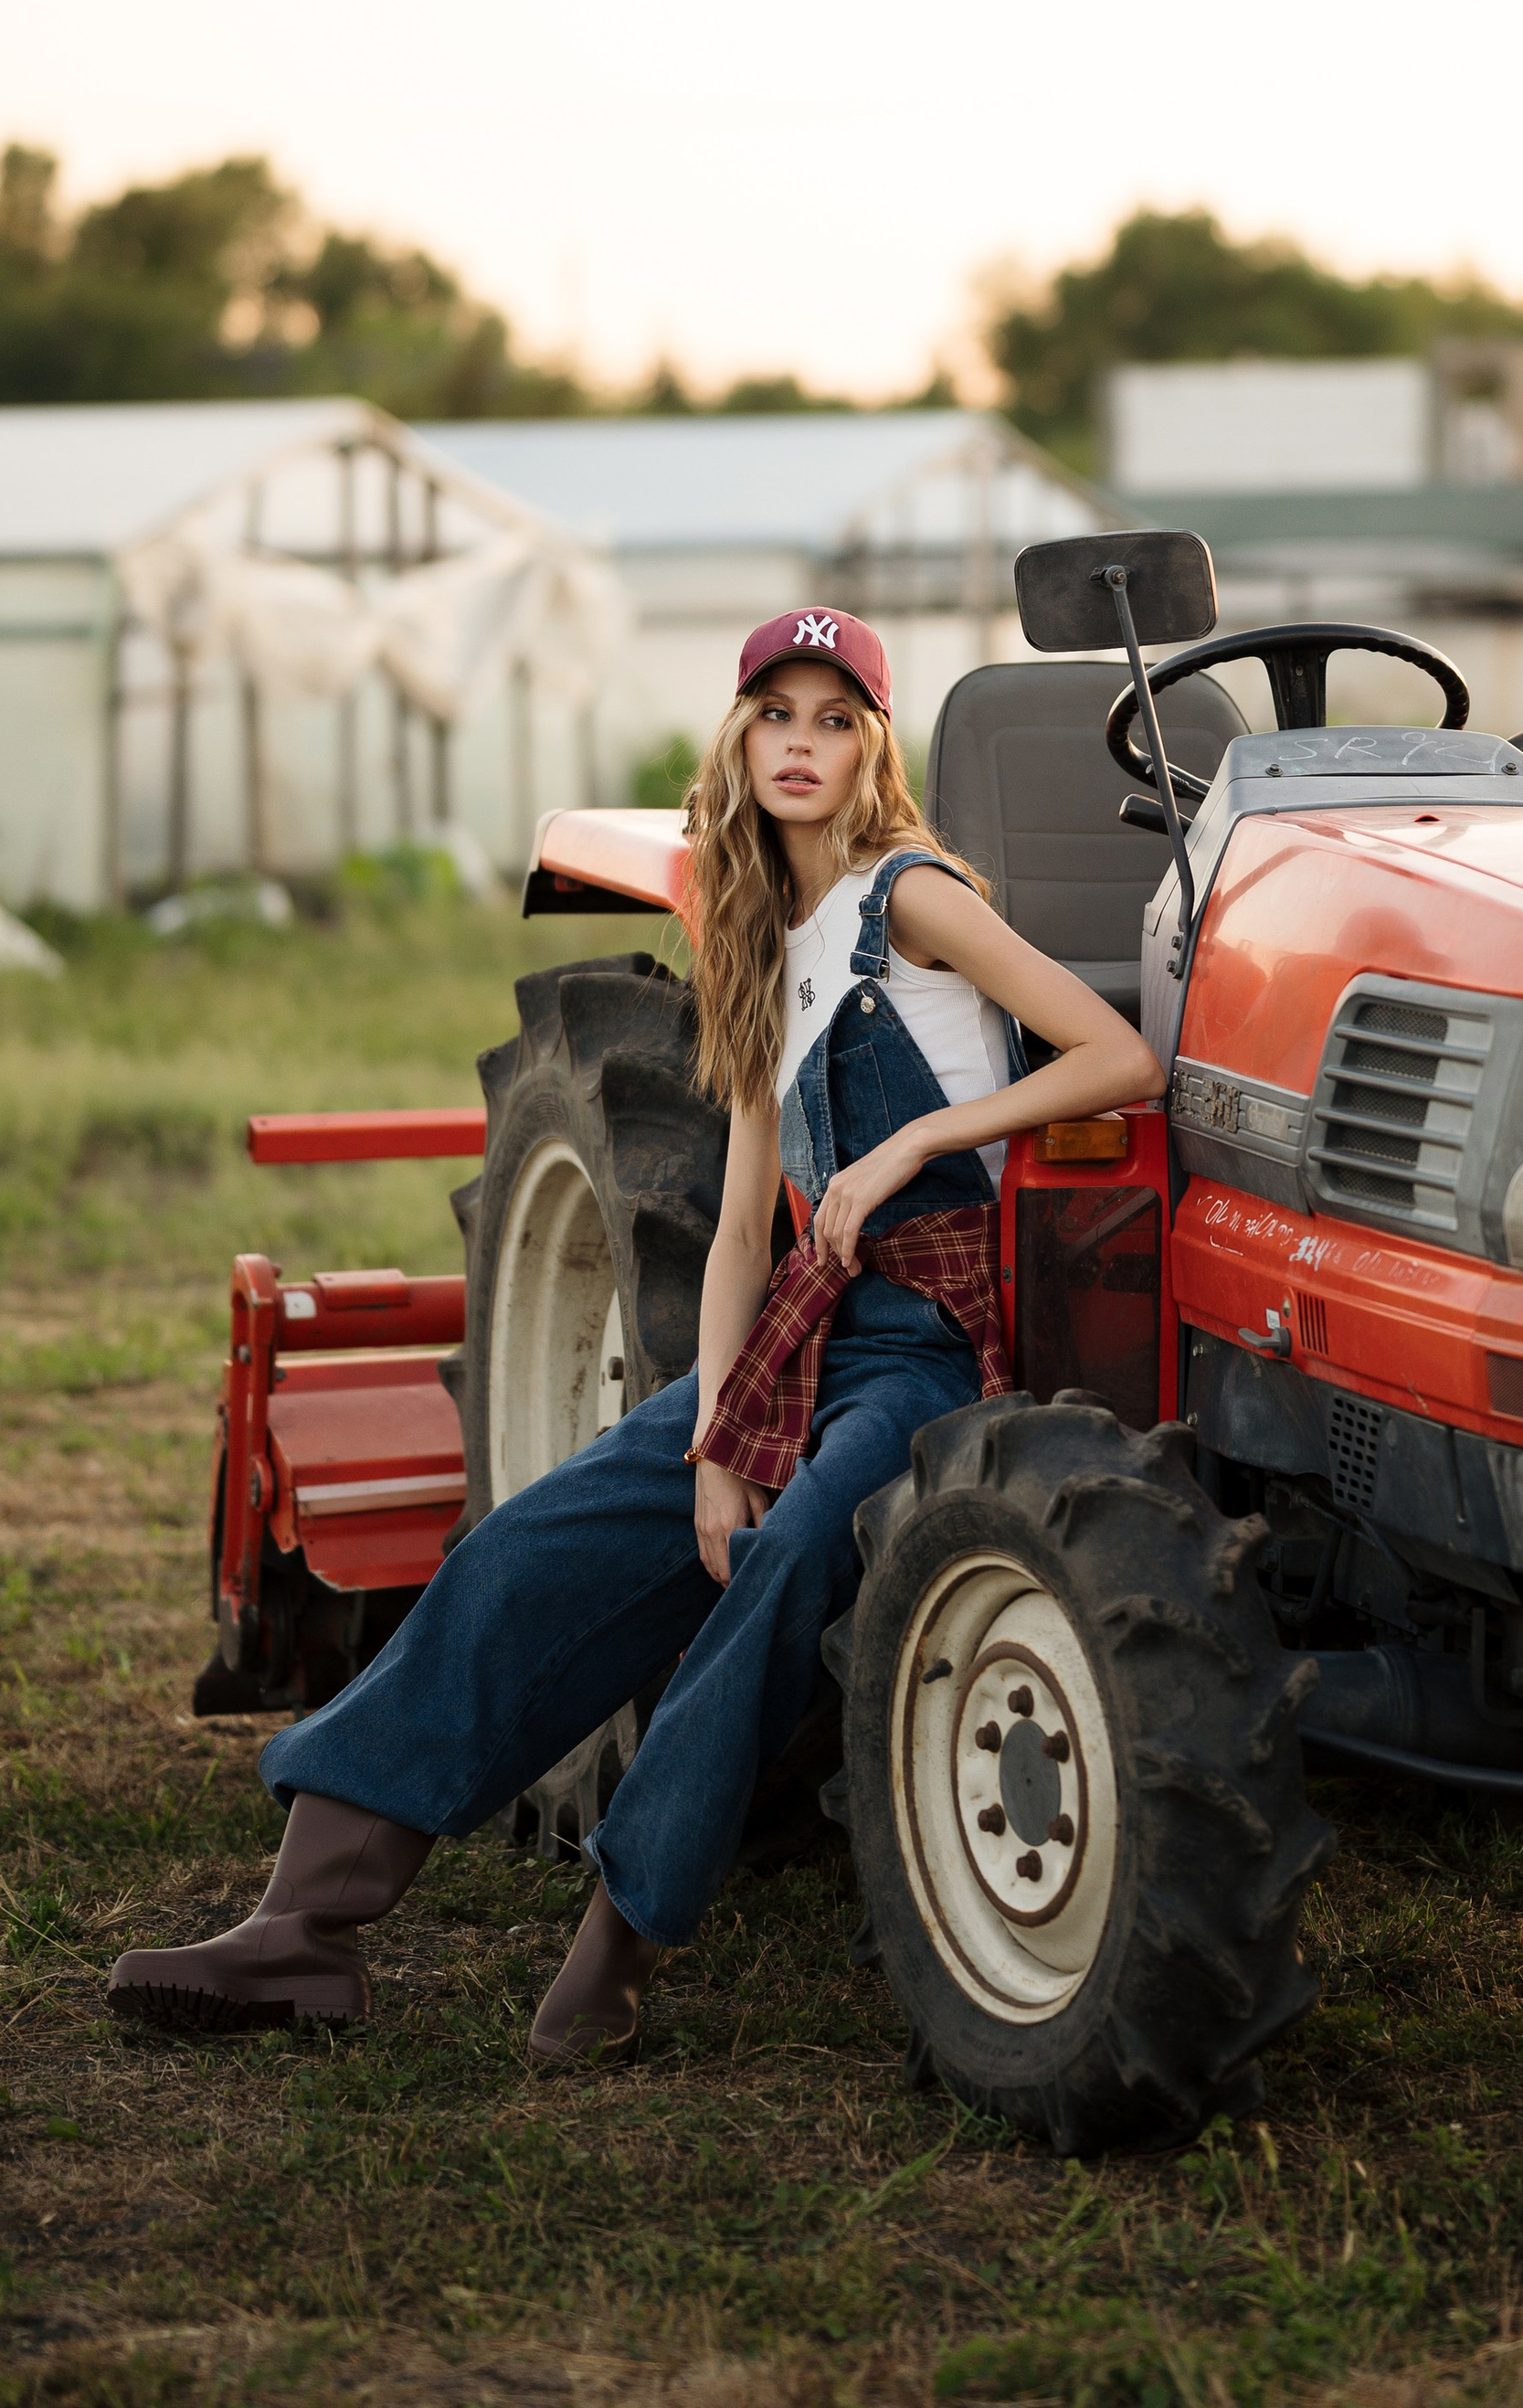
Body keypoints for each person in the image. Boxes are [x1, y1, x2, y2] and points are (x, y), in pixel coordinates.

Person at [106, 607, 1162, 2066]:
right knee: (527, 1545)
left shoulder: (911, 897)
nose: (802, 744)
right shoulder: (757, 945)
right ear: (739, 739)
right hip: (800, 1341)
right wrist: (717, 1443)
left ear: (874, 749)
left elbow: (1122, 1054)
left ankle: (618, 1947)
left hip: (927, 1347)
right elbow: (738, 1240)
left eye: (835, 719)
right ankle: (303, 1930)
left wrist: (915, 1139)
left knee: (788, 1568)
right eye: (777, 716)